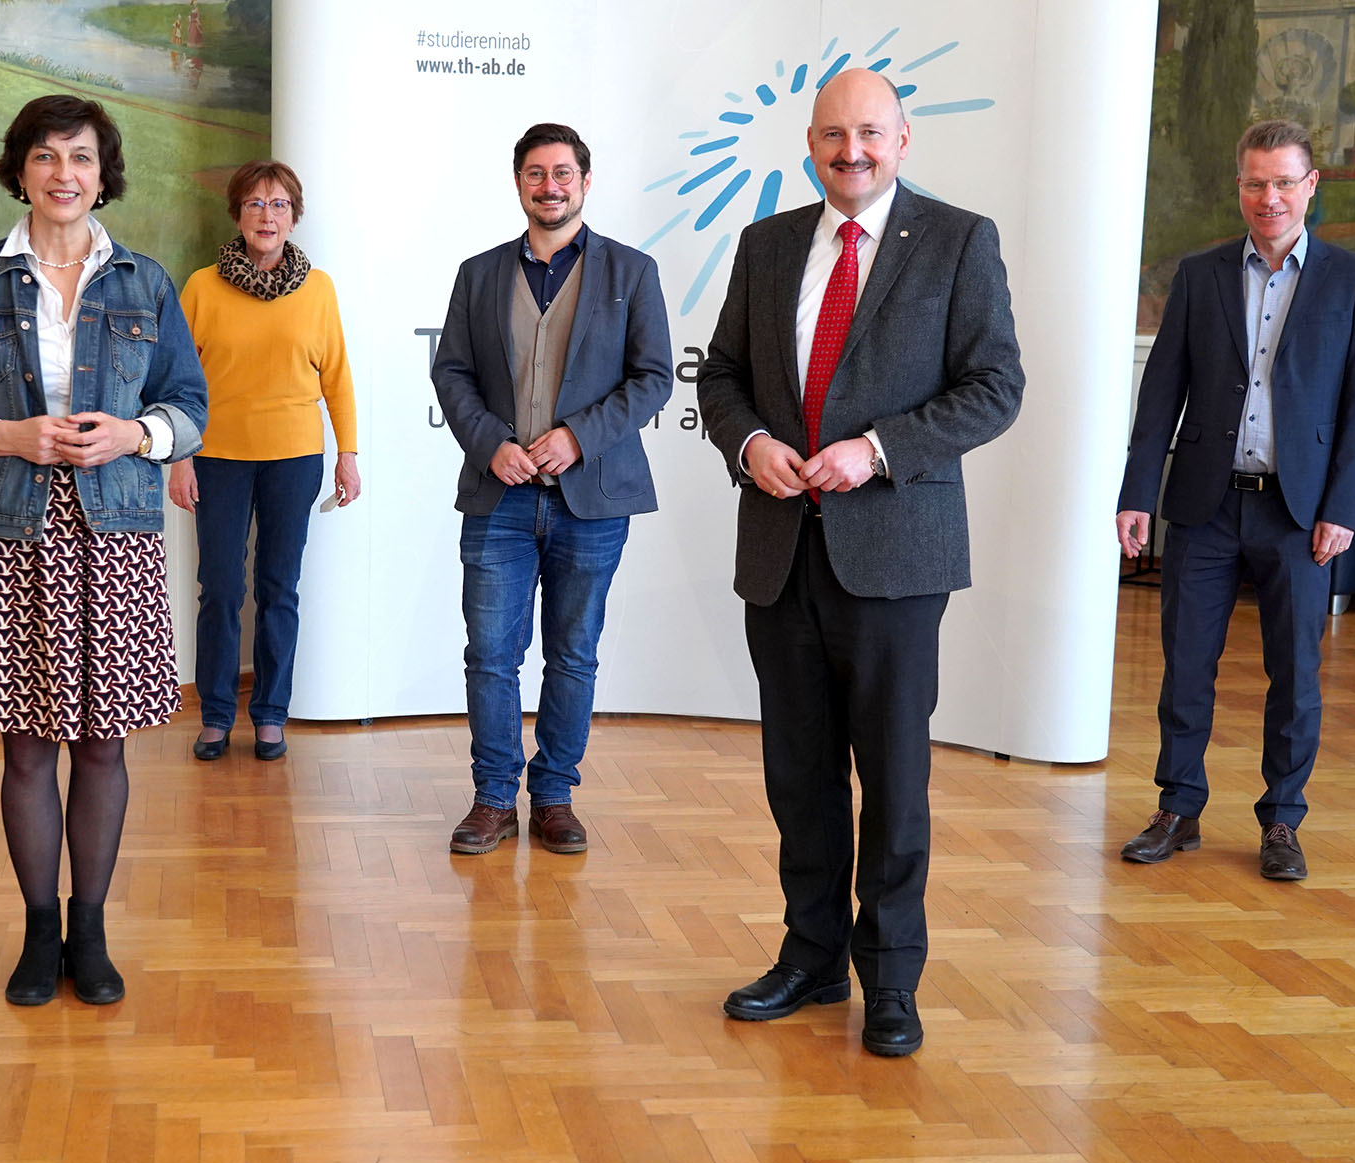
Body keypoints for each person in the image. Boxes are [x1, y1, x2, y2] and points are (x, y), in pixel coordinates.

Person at [695, 69, 1023, 1056]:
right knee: (797, 775)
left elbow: (994, 386)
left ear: (904, 137)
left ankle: (892, 981)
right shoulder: (766, 244)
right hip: (781, 552)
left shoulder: (960, 241)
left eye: (870, 133)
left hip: (896, 555)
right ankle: (811, 958)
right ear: (809, 142)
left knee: (893, 778)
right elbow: (721, 378)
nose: (853, 151)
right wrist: (751, 445)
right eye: (834, 136)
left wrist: (876, 450)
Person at [0, 95, 207, 1006]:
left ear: (103, 174)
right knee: (27, 750)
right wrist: (6, 437)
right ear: (20, 170)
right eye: (46, 157)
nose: (64, 174)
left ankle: (92, 931)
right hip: (7, 535)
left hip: (114, 536)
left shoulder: (148, 284)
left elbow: (191, 406)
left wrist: (137, 436)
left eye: (81, 158)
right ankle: (39, 934)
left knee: (104, 746)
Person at [1117, 119, 1355, 882]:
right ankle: (1179, 808)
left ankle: (1282, 821)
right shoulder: (1200, 276)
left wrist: (1343, 508)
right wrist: (1139, 491)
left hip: (1298, 514)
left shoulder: (1353, 279)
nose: (1268, 197)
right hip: (1203, 506)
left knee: (1295, 674)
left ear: (1310, 187)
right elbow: (1160, 394)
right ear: (1238, 187)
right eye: (1253, 182)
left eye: (1282, 182)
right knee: (1185, 667)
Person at [431, 122, 674, 856]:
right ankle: (493, 798)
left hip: (593, 501)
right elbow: (452, 372)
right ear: (518, 184)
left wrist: (578, 437)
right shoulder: (478, 273)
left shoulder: (631, 273)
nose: (550, 186)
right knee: (491, 656)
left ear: (585, 182)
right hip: (498, 498)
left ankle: (556, 797)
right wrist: (490, 443)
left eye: (562, 173)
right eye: (536, 174)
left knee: (574, 655)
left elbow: (654, 377)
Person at [172, 160, 358, 762]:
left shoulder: (320, 288)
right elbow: (174, 381)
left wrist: (347, 455)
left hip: (294, 458)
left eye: (279, 205)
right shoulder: (201, 287)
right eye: (255, 204)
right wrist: (178, 456)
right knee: (220, 589)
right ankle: (218, 715)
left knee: (280, 588)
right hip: (217, 458)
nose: (267, 215)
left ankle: (271, 713)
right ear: (238, 214)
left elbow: (338, 379)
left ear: (294, 217)